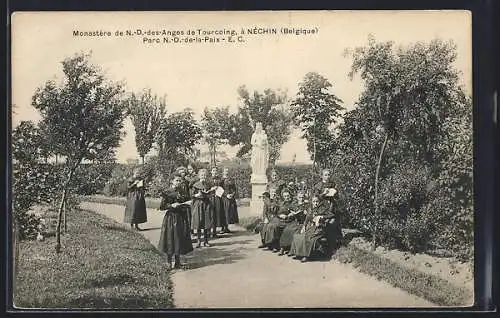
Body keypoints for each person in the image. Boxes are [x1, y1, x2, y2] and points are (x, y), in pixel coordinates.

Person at [158, 173, 194, 269]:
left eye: (180, 180)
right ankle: (169, 262)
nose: (178, 182)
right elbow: (162, 207)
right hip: (171, 218)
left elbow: (188, 201)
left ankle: (178, 262)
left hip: (181, 217)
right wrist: (171, 205)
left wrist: (188, 203)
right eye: (176, 180)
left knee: (179, 238)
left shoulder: (182, 191)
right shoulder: (167, 192)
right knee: (170, 238)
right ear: (172, 181)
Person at [289, 195, 335, 262]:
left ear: (319, 202)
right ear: (311, 202)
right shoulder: (310, 209)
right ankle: (297, 253)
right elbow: (306, 219)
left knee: (308, 238)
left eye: (317, 201)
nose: (315, 203)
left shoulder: (322, 208)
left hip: (319, 228)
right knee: (298, 236)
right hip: (311, 227)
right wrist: (304, 226)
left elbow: (331, 215)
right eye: (314, 201)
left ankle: (306, 256)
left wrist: (321, 216)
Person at [312, 168, 343, 251]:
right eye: (325, 175)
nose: (327, 176)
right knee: (325, 223)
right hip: (322, 207)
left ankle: (334, 242)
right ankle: (322, 243)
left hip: (332, 206)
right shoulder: (318, 186)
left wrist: (335, 193)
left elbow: (337, 196)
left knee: (334, 222)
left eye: (329, 175)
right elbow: (315, 198)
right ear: (322, 176)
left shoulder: (333, 184)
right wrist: (323, 194)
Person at [191, 169, 217, 248]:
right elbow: (191, 195)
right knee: (199, 222)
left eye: (205, 175)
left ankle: (206, 241)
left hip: (206, 204)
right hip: (198, 204)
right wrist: (196, 195)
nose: (204, 177)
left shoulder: (208, 184)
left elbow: (211, 194)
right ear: (199, 176)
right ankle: (199, 241)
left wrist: (210, 192)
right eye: (202, 175)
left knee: (206, 222)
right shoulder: (195, 184)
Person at [278, 190, 308, 256]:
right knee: (287, 230)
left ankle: (292, 250)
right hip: (295, 221)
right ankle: (282, 247)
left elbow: (310, 214)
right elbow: (289, 210)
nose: (301, 199)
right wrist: (291, 214)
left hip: (303, 222)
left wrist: (306, 213)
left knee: (294, 231)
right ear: (297, 197)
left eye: (302, 197)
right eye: (300, 197)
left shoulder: (306, 205)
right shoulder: (294, 204)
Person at [208, 167, 227, 237]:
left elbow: (223, 188)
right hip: (210, 198)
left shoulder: (220, 180)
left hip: (218, 198)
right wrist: (211, 189)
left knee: (217, 214)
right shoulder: (208, 180)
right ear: (211, 172)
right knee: (210, 215)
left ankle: (214, 231)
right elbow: (206, 188)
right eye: (213, 171)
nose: (215, 172)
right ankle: (208, 231)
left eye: (216, 171)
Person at [221, 167, 239, 233]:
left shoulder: (231, 180)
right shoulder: (221, 180)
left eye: (228, 171)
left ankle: (227, 227)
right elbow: (220, 189)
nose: (227, 172)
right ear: (223, 172)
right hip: (224, 198)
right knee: (224, 213)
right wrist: (226, 195)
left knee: (229, 213)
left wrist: (232, 194)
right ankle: (223, 228)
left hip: (231, 198)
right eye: (225, 171)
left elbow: (234, 188)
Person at [176, 166, 192, 232]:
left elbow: (189, 191)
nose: (183, 174)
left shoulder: (187, 182)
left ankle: (189, 231)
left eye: (184, 172)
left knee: (188, 216)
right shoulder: (177, 182)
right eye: (181, 172)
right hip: (179, 200)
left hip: (186, 199)